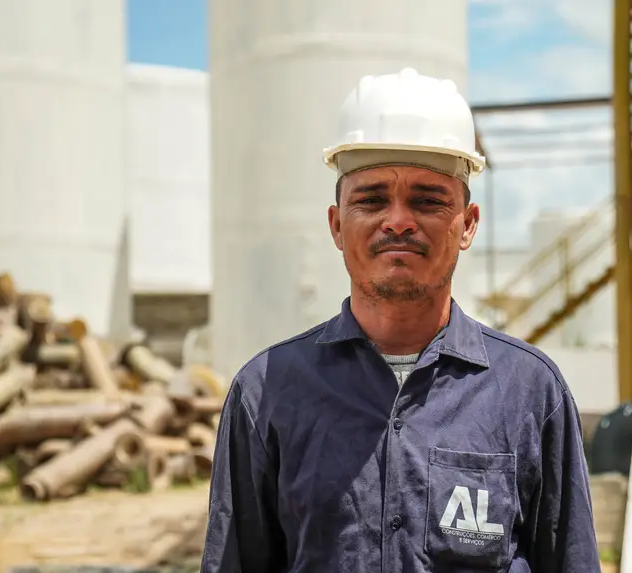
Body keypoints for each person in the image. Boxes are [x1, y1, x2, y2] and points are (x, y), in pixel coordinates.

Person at [200, 68, 601, 573]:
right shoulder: (266, 392)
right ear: (336, 225)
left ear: (468, 225)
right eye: (370, 199)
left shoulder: (530, 393)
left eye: (427, 200)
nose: (398, 220)